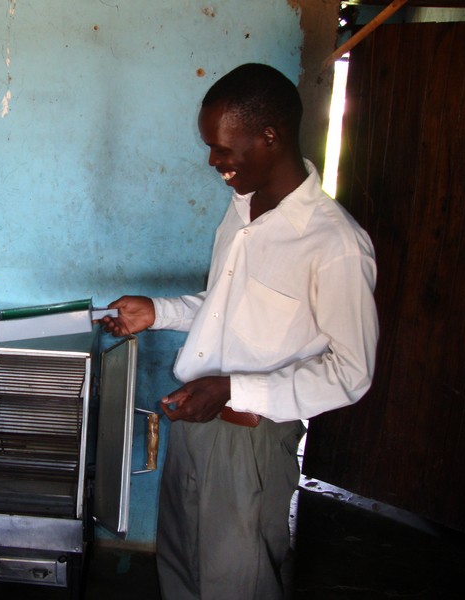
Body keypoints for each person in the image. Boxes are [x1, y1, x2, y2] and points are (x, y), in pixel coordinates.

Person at [101, 63, 378, 599]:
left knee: (239, 581)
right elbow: (224, 307)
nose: (213, 161)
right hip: (195, 418)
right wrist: (156, 311)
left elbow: (352, 372)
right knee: (180, 565)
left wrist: (232, 389)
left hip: (254, 438)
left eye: (222, 148)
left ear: (269, 137)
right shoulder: (242, 211)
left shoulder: (335, 244)